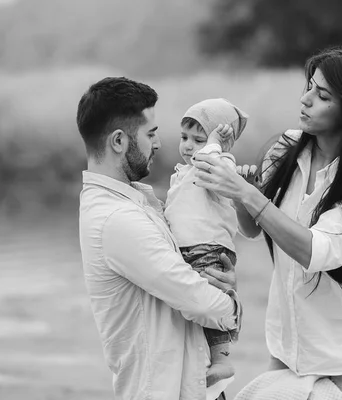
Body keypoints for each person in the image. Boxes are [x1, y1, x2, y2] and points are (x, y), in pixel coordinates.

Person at [193, 47, 342, 400]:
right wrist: (246, 195)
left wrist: (247, 194)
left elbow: (318, 251)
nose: (305, 100)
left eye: (322, 96)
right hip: (287, 354)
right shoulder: (287, 149)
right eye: (309, 87)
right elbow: (254, 229)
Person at [76, 77, 242, 400]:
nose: (159, 144)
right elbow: (194, 297)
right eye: (150, 134)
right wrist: (233, 306)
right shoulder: (116, 219)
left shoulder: (135, 203)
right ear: (119, 141)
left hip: (193, 384)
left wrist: (219, 276)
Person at [164, 98, 249, 388]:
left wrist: (214, 145)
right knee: (194, 302)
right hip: (187, 250)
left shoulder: (221, 165)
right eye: (184, 138)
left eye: (198, 140)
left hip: (210, 247)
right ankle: (205, 360)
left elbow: (210, 168)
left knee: (213, 293)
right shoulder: (182, 172)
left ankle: (223, 359)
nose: (188, 146)